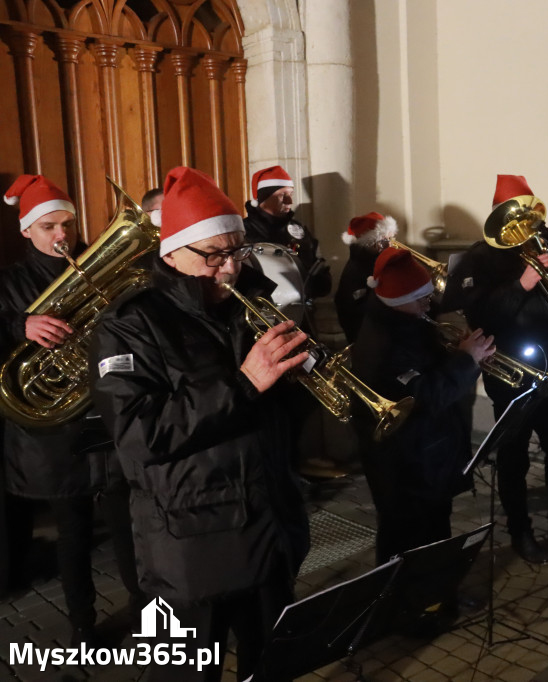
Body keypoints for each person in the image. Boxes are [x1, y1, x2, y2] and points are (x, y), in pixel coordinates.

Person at [90, 166, 311, 681]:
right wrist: (245, 383)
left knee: (272, 667)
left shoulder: (251, 300)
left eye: (238, 251)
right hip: (192, 550)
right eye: (213, 255)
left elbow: (272, 418)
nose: (229, 269)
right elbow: (140, 436)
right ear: (172, 252)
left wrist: (295, 381)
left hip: (268, 527)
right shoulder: (130, 323)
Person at [1, 174, 143, 643]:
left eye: (68, 224)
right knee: (73, 530)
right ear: (26, 230)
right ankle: (83, 623)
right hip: (56, 430)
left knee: (128, 524)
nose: (62, 235)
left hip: (106, 414)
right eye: (49, 227)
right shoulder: (10, 283)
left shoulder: (99, 266)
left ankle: (145, 616)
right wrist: (21, 326)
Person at [442, 174, 548, 565]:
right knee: (514, 456)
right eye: (516, 218)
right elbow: (479, 315)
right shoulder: (480, 258)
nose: (525, 227)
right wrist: (521, 285)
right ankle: (520, 531)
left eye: (528, 217)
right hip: (511, 372)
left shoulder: (544, 244)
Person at [351, 247, 494, 565]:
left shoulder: (407, 321)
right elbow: (424, 396)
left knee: (434, 532)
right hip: (406, 466)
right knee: (406, 539)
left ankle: (434, 586)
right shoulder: (383, 343)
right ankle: (404, 593)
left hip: (427, 455)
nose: (429, 304)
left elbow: (431, 371)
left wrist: (464, 357)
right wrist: (466, 361)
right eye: (421, 298)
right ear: (398, 300)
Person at [243, 165, 332, 324]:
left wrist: (315, 282)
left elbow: (321, 274)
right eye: (282, 195)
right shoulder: (244, 231)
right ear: (263, 197)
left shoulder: (299, 231)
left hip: (301, 316)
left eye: (290, 194)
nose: (289, 201)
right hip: (259, 317)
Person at [335, 211, 397, 343]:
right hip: (371, 340)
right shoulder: (358, 270)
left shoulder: (377, 262)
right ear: (371, 243)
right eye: (385, 241)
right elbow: (355, 315)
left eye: (392, 239)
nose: (391, 245)